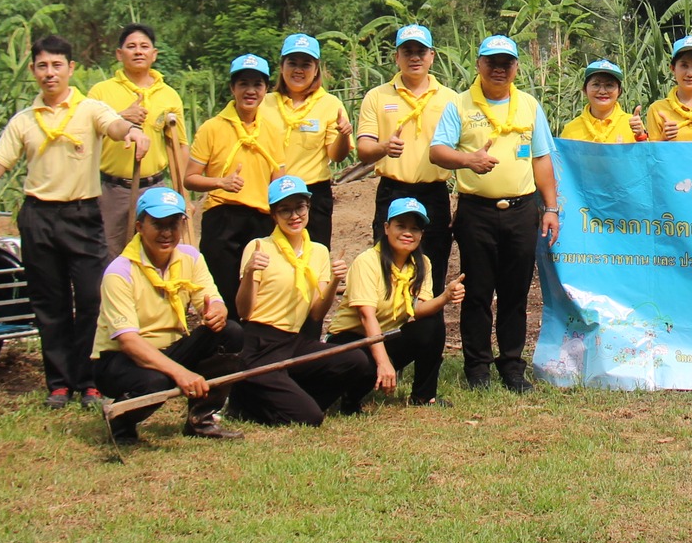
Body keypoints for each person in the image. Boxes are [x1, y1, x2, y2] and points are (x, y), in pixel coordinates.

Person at [0, 35, 153, 408]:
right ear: (33, 71)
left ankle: (88, 381)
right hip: (38, 216)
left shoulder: (90, 109)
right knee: (49, 303)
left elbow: (115, 127)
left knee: (90, 298)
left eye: (57, 65)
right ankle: (58, 383)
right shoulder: (24, 121)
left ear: (71, 69)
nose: (49, 73)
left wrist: (134, 132)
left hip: (83, 215)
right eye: (42, 66)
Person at [429, 35, 560, 392]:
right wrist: (467, 159)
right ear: (479, 64)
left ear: (517, 66)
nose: (499, 69)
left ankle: (512, 366)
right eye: (492, 62)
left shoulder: (529, 105)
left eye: (507, 62)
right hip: (477, 212)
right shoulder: (459, 105)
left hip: (521, 210)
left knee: (516, 292)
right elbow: (437, 151)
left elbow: (542, 158)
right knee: (478, 291)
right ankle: (478, 367)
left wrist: (550, 207)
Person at [93, 187, 243, 445]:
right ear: (139, 226)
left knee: (230, 332)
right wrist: (179, 373)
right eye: (158, 225)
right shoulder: (119, 272)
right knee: (157, 380)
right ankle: (121, 425)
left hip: (171, 346)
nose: (166, 233)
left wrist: (217, 311)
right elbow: (128, 341)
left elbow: (212, 298)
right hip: (120, 358)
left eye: (173, 224)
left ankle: (202, 419)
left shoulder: (191, 258)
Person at [228, 176, 347, 426]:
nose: (294, 215)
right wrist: (249, 273)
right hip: (261, 343)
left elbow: (316, 314)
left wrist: (335, 281)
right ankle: (248, 402)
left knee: (355, 362)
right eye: (285, 210)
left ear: (308, 208)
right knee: (311, 418)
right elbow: (243, 311)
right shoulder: (259, 246)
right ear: (273, 215)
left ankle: (290, 397)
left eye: (299, 207)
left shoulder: (319, 251)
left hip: (294, 341)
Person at [327, 196, 466, 410]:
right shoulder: (367, 262)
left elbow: (418, 310)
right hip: (351, 338)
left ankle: (423, 396)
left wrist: (445, 297)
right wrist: (383, 363)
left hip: (385, 334)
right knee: (364, 362)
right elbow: (366, 316)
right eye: (400, 226)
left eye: (415, 228)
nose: (408, 233)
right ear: (386, 227)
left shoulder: (422, 264)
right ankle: (349, 398)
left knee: (432, 325)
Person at [185, 54, 288, 322]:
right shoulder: (212, 128)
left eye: (257, 84)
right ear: (232, 88)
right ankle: (221, 349)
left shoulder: (273, 130)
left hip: (261, 219)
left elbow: (279, 181)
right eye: (243, 83)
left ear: (267, 89)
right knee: (222, 288)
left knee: (258, 288)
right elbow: (190, 178)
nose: (250, 91)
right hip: (222, 218)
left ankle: (253, 348)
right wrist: (221, 182)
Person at [355, 24, 456, 278]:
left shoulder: (451, 99)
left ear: (432, 56)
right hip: (393, 191)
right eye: (407, 51)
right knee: (388, 268)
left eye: (421, 51)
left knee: (433, 267)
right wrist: (383, 147)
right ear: (396, 57)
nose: (414, 57)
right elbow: (364, 150)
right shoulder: (377, 97)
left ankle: (430, 318)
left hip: (434, 194)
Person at [89, 24, 189, 256]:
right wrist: (120, 116)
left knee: (157, 252)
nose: (138, 51)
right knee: (111, 254)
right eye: (131, 46)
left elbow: (180, 145)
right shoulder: (100, 92)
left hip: (154, 186)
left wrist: (183, 193)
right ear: (119, 53)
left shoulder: (169, 95)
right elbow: (86, 134)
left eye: (144, 47)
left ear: (154, 54)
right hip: (113, 190)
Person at [270, 33, 354, 249]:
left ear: (316, 69)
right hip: (272, 192)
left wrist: (343, 134)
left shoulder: (329, 104)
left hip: (312, 194)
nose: (299, 70)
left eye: (306, 64)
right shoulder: (265, 104)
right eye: (292, 63)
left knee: (315, 257)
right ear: (282, 66)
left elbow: (336, 155)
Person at [559, 60, 649, 144]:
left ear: (619, 91)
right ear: (584, 90)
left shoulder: (632, 125)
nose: (602, 91)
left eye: (609, 85)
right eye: (596, 85)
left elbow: (646, 157)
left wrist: (641, 136)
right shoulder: (571, 130)